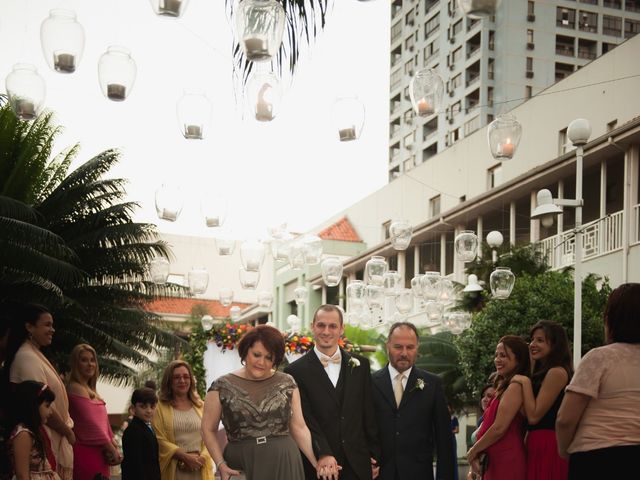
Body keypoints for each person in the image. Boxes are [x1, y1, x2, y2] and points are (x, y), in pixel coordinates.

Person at [202, 325, 318, 480]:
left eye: (269, 357)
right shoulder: (221, 386)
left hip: (284, 461)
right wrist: (220, 463)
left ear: (275, 360)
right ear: (245, 352)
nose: (261, 362)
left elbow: (299, 427)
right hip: (241, 463)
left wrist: (317, 463)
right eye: (256, 354)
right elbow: (207, 430)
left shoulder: (287, 382)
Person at [285, 304, 380, 480]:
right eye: (321, 325)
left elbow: (368, 413)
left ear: (341, 329)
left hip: (358, 464)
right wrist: (323, 453)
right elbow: (305, 420)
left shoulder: (361, 365)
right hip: (319, 466)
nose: (326, 331)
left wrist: (374, 456)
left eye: (333, 326)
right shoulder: (294, 371)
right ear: (313, 326)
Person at [556, 283, 640, 479]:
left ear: (611, 318)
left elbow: (565, 419)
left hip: (598, 455)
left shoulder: (600, 358)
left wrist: (565, 450)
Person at [371, 322, 453, 480]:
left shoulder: (432, 384)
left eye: (410, 347)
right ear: (388, 346)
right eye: (398, 347)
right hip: (379, 475)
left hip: (419, 474)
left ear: (418, 348)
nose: (404, 353)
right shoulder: (369, 382)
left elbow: (444, 439)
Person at [4, 304, 73, 480]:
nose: (52, 330)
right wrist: (66, 431)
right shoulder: (26, 358)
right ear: (29, 327)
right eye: (47, 325)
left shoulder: (34, 354)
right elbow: (38, 401)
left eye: (52, 325)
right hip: (45, 435)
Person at [511, 320, 572, 480]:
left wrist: (524, 381)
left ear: (555, 344)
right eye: (532, 340)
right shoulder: (541, 372)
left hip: (548, 444)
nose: (532, 344)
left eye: (540, 340)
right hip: (535, 442)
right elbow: (525, 411)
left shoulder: (556, 372)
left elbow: (534, 416)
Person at [466, 335, 529, 480]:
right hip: (496, 459)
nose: (497, 360)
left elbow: (499, 428)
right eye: (496, 355)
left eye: (503, 356)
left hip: (507, 459)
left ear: (518, 359)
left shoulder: (515, 386)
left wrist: (473, 451)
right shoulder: (505, 385)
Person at [67, 344, 121, 480]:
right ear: (75, 364)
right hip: (86, 452)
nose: (90, 364)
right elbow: (90, 422)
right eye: (84, 360)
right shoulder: (75, 388)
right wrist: (110, 447)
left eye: (92, 360)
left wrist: (113, 445)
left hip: (101, 453)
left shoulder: (91, 391)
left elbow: (104, 423)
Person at [152, 360, 213, 480]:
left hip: (199, 469)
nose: (182, 381)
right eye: (176, 377)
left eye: (186, 377)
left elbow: (210, 434)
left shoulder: (201, 406)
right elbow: (159, 439)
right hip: (175, 472)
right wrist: (184, 456)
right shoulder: (159, 407)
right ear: (169, 381)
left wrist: (201, 458)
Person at [9, 380, 59, 480]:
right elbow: (22, 475)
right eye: (47, 406)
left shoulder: (34, 432)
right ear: (33, 406)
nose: (51, 412)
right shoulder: (23, 434)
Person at [121, 387, 161, 480]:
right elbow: (135, 466)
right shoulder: (133, 432)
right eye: (143, 406)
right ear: (133, 408)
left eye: (152, 406)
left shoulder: (146, 427)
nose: (149, 410)